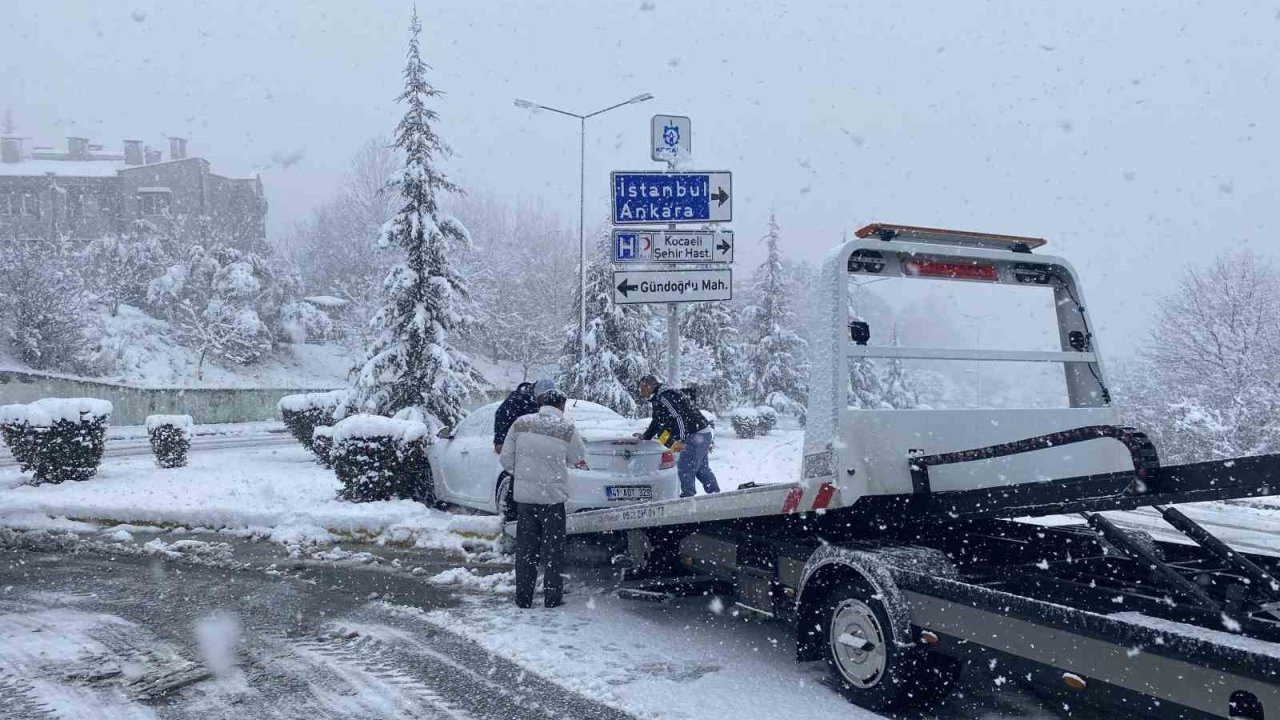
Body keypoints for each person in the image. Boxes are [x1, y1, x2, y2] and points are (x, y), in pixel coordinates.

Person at [499, 387, 587, 609]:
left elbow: (506, 459)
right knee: (553, 551)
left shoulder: (521, 423)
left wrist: (523, 475)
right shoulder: (566, 428)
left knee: (526, 550)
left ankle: (523, 598)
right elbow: (577, 457)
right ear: (561, 406)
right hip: (553, 501)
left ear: (541, 403)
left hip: (526, 501)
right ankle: (552, 598)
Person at [636, 374, 720, 498]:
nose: (641, 391)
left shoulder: (664, 396)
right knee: (701, 469)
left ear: (651, 385)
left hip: (695, 434)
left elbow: (679, 417)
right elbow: (657, 421)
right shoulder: (659, 397)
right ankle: (715, 496)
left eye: (643, 388)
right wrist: (646, 436)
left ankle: (687, 498)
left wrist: (681, 439)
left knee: (685, 468)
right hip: (701, 433)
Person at [493, 379, 555, 454]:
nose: (545, 401)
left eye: (548, 398)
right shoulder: (518, 400)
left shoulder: (542, 403)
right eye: (543, 397)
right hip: (509, 436)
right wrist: (500, 441)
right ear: (536, 392)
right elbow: (501, 414)